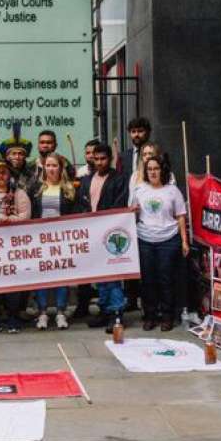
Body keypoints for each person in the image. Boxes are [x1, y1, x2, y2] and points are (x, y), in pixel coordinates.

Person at [130, 155, 189, 331]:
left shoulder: (173, 191)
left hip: (168, 240)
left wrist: (184, 241)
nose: (153, 172)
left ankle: (167, 316)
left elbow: (180, 217)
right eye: (150, 169)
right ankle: (150, 316)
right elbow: (133, 215)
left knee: (166, 279)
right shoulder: (139, 189)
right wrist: (133, 212)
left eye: (156, 168)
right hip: (145, 239)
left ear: (163, 170)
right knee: (148, 280)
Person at [80, 142, 130, 331]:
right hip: (92, 232)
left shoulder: (119, 179)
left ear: (109, 159)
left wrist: (103, 221)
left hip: (111, 232)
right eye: (96, 159)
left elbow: (120, 203)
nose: (99, 162)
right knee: (99, 274)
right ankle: (104, 310)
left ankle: (116, 313)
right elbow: (82, 203)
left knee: (113, 275)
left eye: (103, 159)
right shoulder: (87, 180)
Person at [29, 154, 79, 330]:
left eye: (54, 165)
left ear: (60, 168)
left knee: (61, 277)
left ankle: (60, 312)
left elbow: (76, 214)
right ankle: (42, 313)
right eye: (48, 165)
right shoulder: (36, 188)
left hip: (62, 239)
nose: (51, 168)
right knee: (41, 278)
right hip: (40, 239)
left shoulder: (69, 189)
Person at [0, 161, 30, 333]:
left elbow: (25, 215)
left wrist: (10, 219)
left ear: (10, 176)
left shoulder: (19, 193)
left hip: (13, 244)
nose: (1, 175)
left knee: (13, 282)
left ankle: (13, 318)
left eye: (4, 172)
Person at [0, 123, 34, 193]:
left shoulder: (32, 173)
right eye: (13, 154)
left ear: (25, 156)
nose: (17, 157)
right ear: (7, 157)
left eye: (20, 154)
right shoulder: (0, 173)